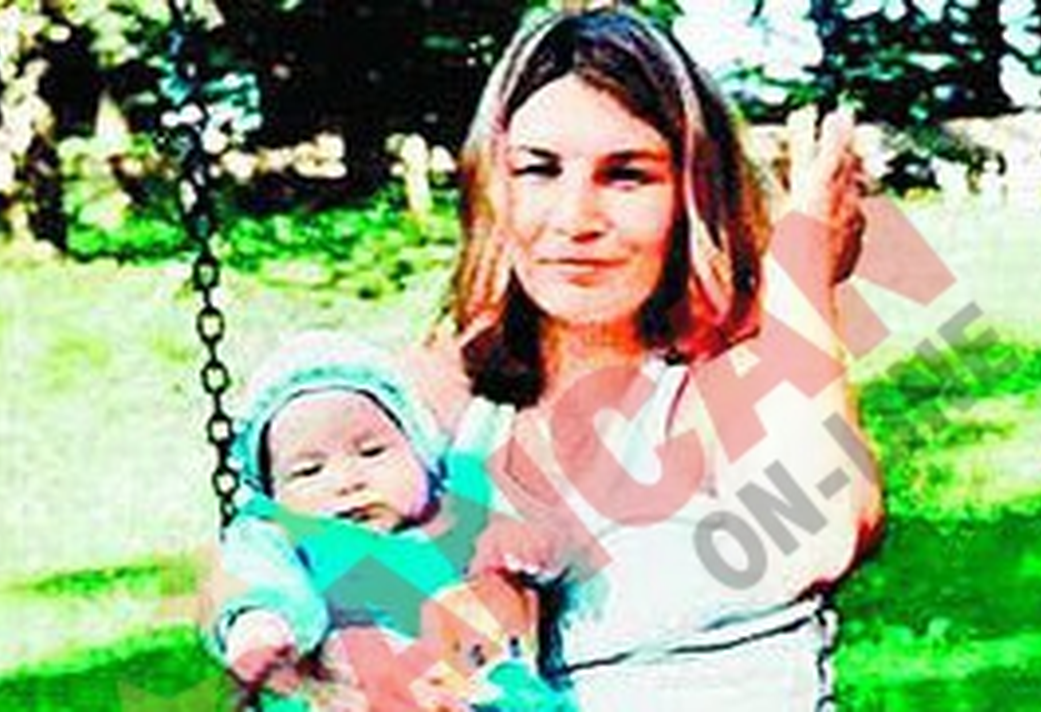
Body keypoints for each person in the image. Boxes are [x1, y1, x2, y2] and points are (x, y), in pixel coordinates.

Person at [387, 6, 885, 710]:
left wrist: (799, 267)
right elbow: (281, 570)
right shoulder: (436, 401)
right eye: (538, 170)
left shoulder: (722, 386)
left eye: (626, 176)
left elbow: (822, 537)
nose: (575, 219)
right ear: (493, 188)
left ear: (692, 196)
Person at [208, 330, 569, 711]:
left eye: (371, 452)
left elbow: (550, 551)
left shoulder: (461, 506)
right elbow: (257, 575)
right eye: (309, 470)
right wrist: (260, 624)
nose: (347, 481)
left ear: (420, 455)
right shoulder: (280, 536)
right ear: (272, 493)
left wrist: (520, 543)